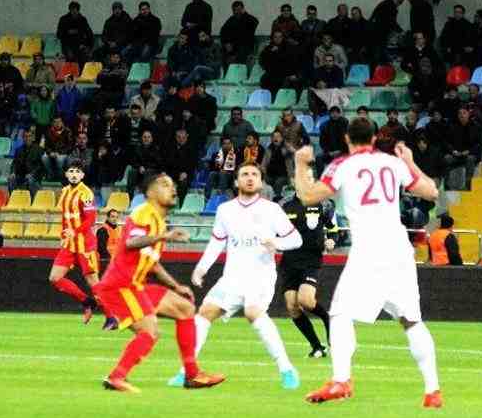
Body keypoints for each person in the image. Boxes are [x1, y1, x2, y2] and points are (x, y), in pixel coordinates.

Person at [293, 118, 443, 408]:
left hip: (369, 250)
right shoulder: (393, 163)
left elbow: (308, 197)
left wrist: (300, 164)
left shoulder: (342, 165)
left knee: (340, 314)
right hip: (399, 250)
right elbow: (431, 192)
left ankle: (341, 380)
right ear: (374, 138)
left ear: (347, 139)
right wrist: (410, 161)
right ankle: (432, 391)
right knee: (411, 320)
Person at [167, 162, 303, 389]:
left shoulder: (272, 210)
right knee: (205, 312)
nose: (250, 178)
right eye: (245, 174)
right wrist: (202, 268)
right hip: (232, 277)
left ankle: (287, 369)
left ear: (261, 181)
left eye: (254, 174)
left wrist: (276, 242)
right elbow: (217, 242)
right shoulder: (225, 210)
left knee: (252, 312)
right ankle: (186, 372)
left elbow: (296, 239)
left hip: (260, 276)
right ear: (236, 181)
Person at [95, 172, 226, 393]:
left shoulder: (158, 222)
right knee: (149, 332)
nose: (172, 189)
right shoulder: (144, 213)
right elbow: (131, 243)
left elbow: (152, 265)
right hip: (121, 286)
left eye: (173, 184)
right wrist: (163, 237)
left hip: (136, 285)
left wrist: (175, 286)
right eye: (165, 184)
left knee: (185, 308)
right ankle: (116, 377)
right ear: (150, 192)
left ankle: (192, 375)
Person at [279, 191, 336, 357]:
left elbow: (333, 228)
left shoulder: (323, 204)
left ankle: (327, 318)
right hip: (289, 261)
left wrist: (332, 239)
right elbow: (273, 229)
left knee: (306, 301)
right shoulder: (284, 205)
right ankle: (317, 347)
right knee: (292, 306)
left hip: (311, 260)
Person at [48, 160, 104, 325]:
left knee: (93, 282)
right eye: (71, 171)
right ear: (66, 174)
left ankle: (112, 316)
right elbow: (65, 217)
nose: (74, 174)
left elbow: (91, 219)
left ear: (82, 175)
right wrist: (63, 234)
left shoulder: (86, 193)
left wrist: (75, 231)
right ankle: (87, 302)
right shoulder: (65, 191)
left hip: (85, 244)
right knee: (54, 278)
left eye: (77, 172)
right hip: (69, 244)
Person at [56, 1, 94, 69]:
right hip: (68, 45)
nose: (74, 11)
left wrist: (87, 46)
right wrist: (67, 32)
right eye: (72, 9)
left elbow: (89, 33)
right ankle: (71, 74)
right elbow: (59, 34)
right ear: (69, 10)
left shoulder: (82, 19)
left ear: (78, 10)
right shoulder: (63, 19)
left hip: (80, 45)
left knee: (84, 57)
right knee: (70, 58)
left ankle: (81, 73)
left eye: (75, 9)